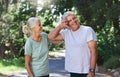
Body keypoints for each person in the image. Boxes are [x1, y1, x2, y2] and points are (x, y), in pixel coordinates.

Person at [48, 11, 97, 77]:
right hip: (73, 71)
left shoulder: (87, 30)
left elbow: (94, 52)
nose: (73, 21)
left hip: (86, 71)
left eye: (74, 18)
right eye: (70, 20)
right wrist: (60, 26)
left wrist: (92, 71)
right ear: (67, 24)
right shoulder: (66, 33)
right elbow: (51, 37)